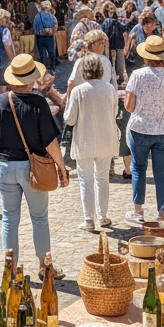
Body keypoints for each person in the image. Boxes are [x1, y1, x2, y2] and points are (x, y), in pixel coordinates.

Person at [0, 54, 70, 276]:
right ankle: (44, 266)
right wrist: (61, 166)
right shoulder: (39, 103)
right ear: (31, 80)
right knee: (39, 218)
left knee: (9, 219)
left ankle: (10, 270)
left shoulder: (0, 101)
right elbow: (50, 142)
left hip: (4, 167)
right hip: (33, 169)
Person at [124, 35, 164, 225]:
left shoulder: (137, 75)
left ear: (146, 56)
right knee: (161, 173)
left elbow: (129, 106)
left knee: (138, 169)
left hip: (140, 129)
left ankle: (138, 211)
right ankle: (162, 215)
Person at [63, 55, 119, 232]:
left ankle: (89, 220)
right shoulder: (110, 89)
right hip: (106, 139)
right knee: (102, 178)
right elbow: (114, 112)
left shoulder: (79, 91)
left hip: (85, 141)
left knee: (85, 180)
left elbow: (70, 119)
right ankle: (103, 216)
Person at [33, 1, 58, 71]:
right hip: (49, 37)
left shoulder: (37, 16)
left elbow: (34, 27)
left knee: (42, 54)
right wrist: (50, 31)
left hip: (39, 37)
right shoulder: (52, 16)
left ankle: (43, 69)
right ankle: (52, 68)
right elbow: (55, 26)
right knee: (51, 53)